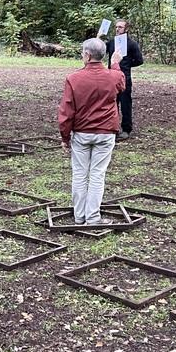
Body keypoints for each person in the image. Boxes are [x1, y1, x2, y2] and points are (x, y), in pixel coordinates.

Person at [58, 38, 125, 225]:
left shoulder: (73, 78)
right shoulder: (114, 76)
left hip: (82, 132)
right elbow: (121, 84)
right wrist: (116, 64)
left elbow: (66, 110)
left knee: (80, 173)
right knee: (97, 174)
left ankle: (80, 216)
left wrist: (65, 137)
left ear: (87, 55)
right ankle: (93, 217)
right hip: (106, 133)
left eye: (82, 53)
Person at [105, 19, 143, 140]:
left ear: (126, 29)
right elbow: (100, 50)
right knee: (112, 103)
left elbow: (139, 60)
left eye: (120, 27)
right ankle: (112, 127)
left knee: (125, 103)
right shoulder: (112, 42)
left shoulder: (131, 44)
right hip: (111, 77)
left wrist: (126, 65)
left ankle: (126, 129)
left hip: (124, 77)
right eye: (116, 27)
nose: (117, 29)